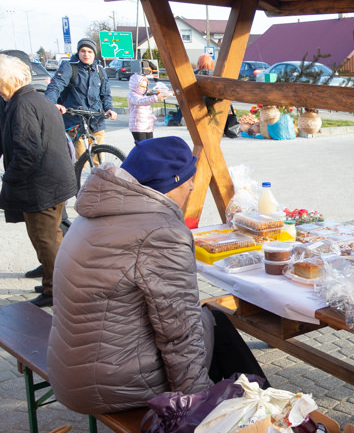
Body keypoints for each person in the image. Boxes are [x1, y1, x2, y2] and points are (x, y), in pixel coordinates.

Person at [47, 137, 266, 414]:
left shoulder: (96, 209)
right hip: (113, 384)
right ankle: (264, 412)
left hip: (70, 373)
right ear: (172, 182)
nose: (191, 185)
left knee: (212, 319)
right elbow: (179, 332)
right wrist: (195, 410)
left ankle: (260, 402)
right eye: (189, 178)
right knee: (211, 324)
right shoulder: (161, 232)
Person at [0, 53, 78, 308]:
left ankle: (55, 291)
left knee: (45, 240)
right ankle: (54, 281)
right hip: (54, 183)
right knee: (53, 238)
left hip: (41, 187)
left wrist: (8, 176)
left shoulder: (22, 104)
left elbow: (28, 151)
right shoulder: (36, 98)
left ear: (8, 81)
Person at [45, 38, 117, 159]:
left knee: (100, 164)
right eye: (83, 51)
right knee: (77, 161)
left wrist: (109, 109)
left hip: (96, 121)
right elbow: (55, 86)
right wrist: (52, 103)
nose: (86, 54)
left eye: (90, 51)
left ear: (94, 54)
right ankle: (72, 177)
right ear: (78, 52)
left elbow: (105, 95)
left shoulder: (100, 71)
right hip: (75, 122)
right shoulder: (69, 68)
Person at [128, 73, 171, 142]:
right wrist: (156, 98)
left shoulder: (143, 95)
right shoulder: (132, 95)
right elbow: (141, 102)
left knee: (150, 146)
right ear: (135, 85)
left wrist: (162, 93)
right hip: (138, 127)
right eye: (141, 86)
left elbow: (147, 100)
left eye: (145, 87)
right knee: (142, 147)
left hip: (147, 126)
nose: (144, 89)